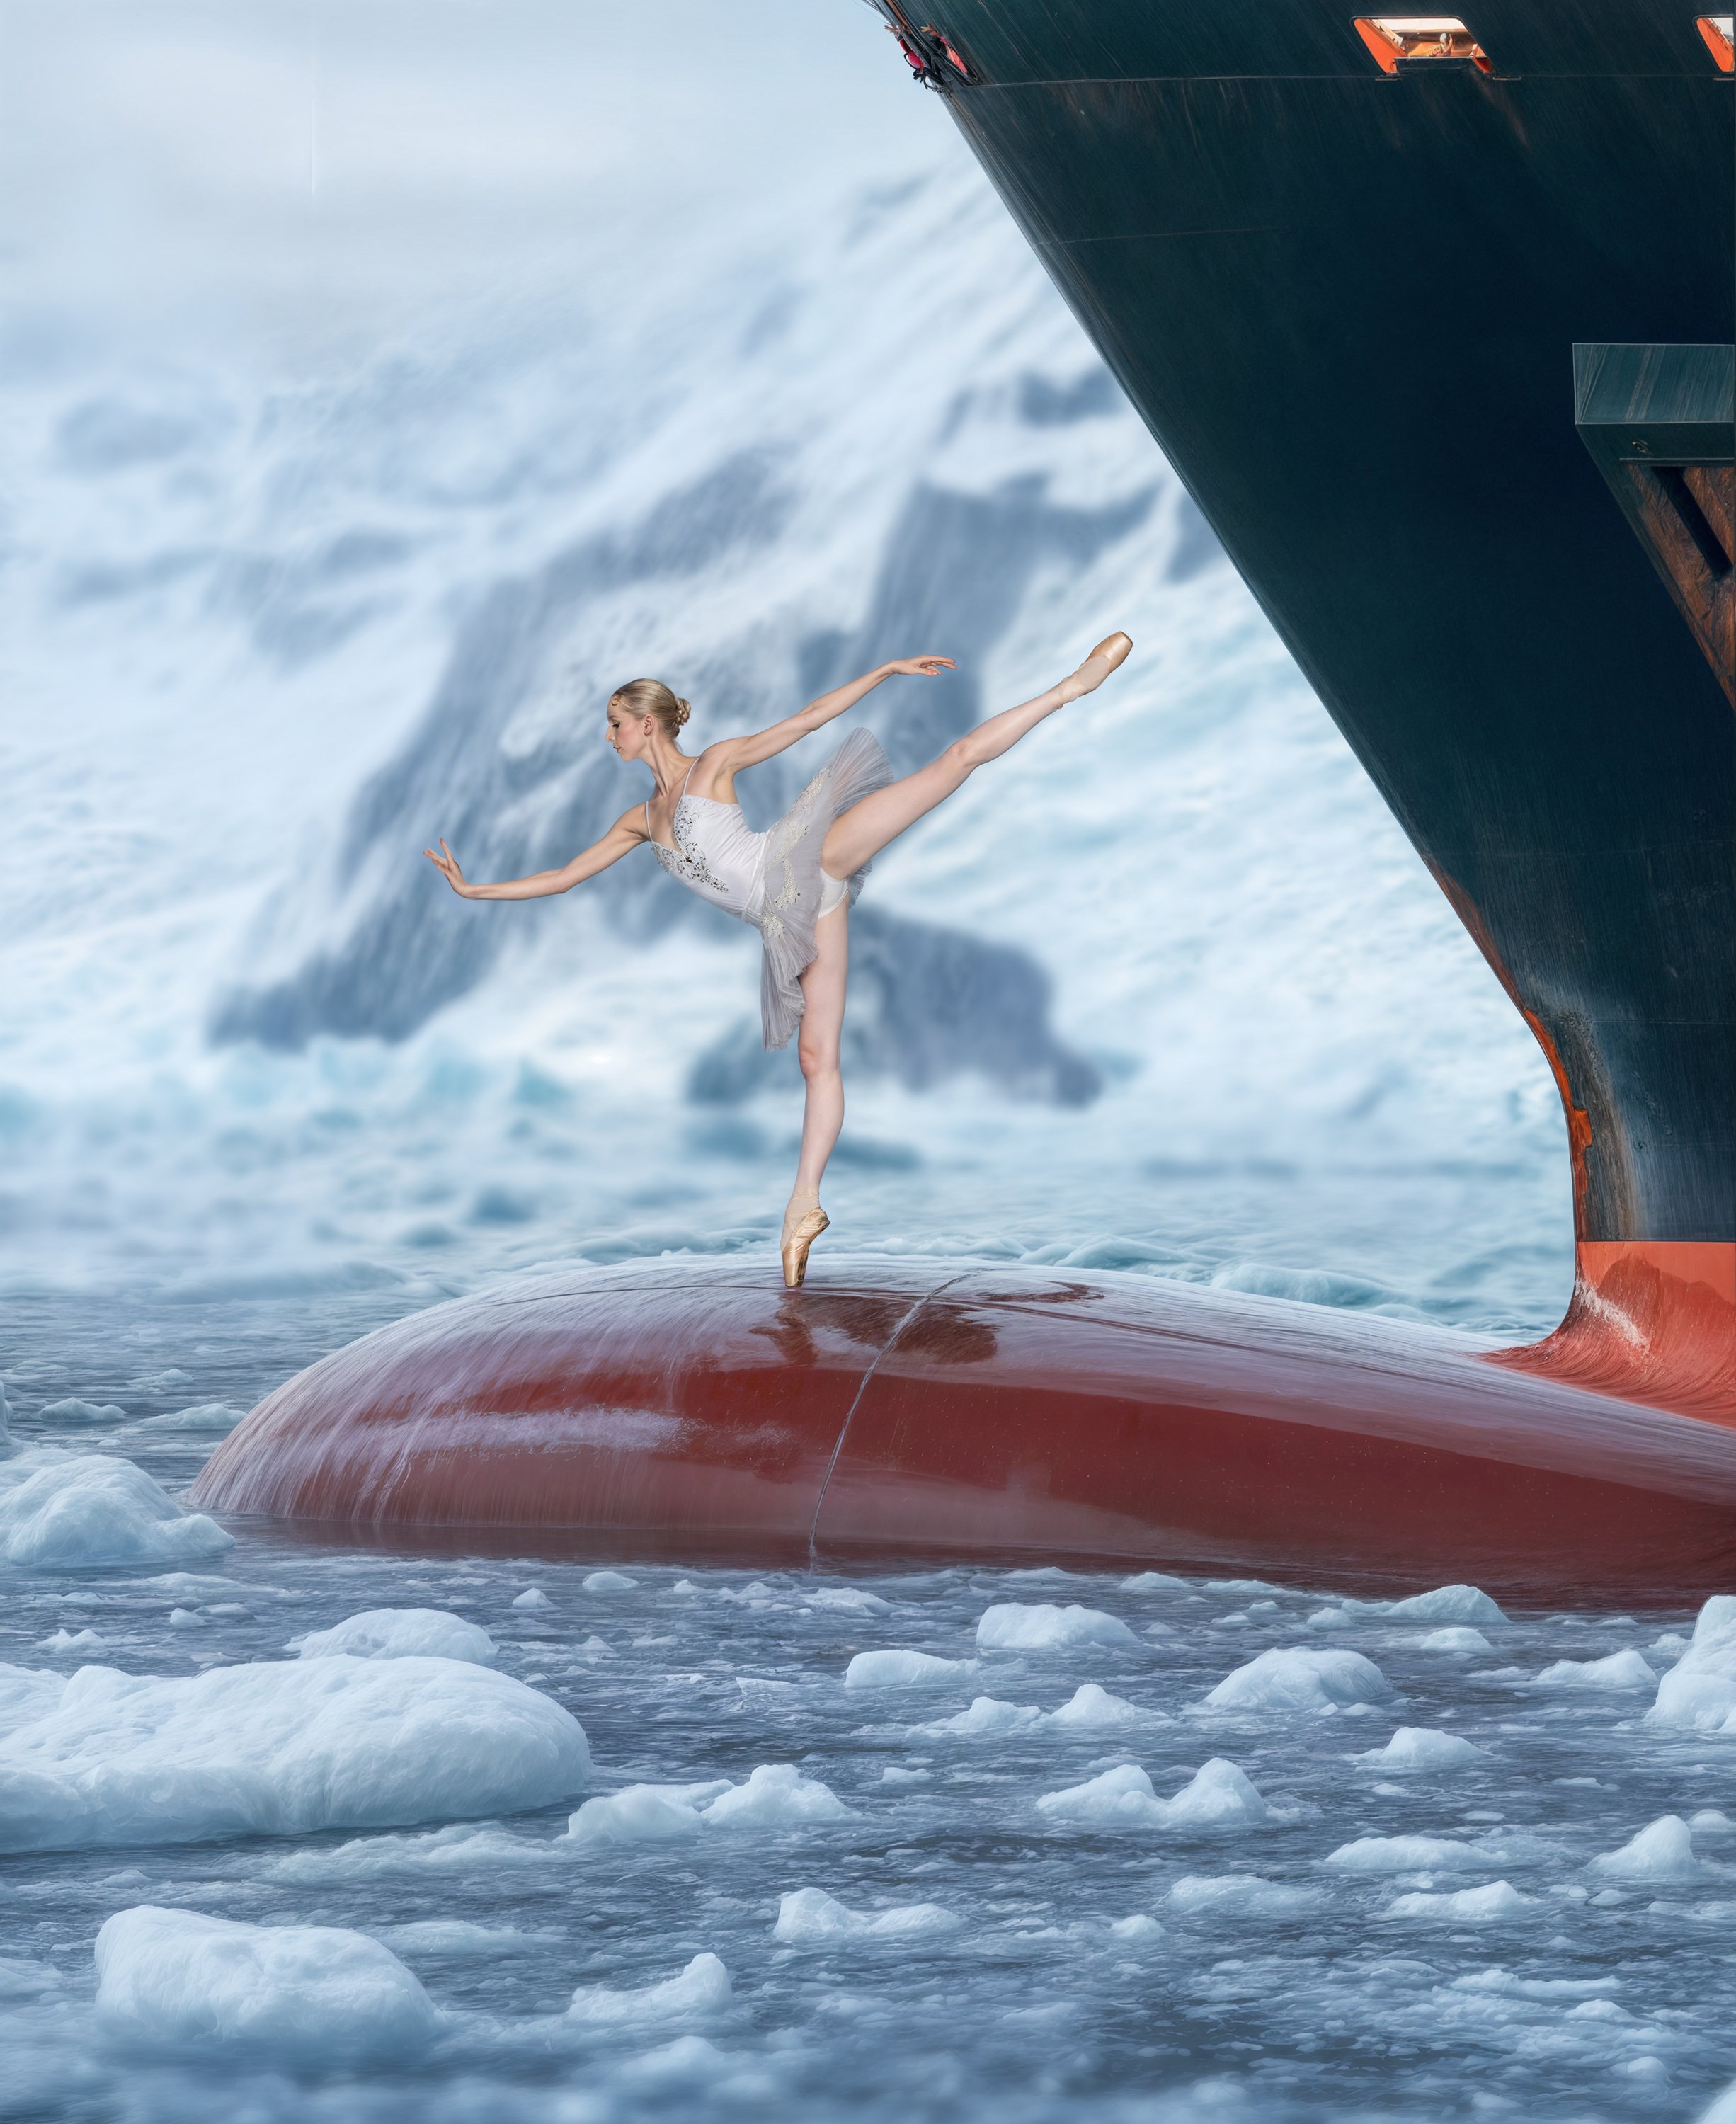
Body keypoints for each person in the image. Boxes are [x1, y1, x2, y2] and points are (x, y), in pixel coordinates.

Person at [425, 633, 1132, 1287]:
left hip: (804, 861)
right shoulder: (639, 821)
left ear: (648, 724)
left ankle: (1068, 688)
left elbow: (807, 719)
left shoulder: (714, 763)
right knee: (816, 1061)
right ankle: (804, 1210)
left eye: (614, 722)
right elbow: (563, 877)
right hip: (796, 918)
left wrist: (884, 671)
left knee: (952, 764)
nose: (607, 736)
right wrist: (472, 887)